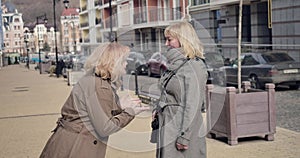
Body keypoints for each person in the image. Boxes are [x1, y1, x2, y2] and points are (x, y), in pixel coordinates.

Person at [40, 42, 149, 158]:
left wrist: (118, 106)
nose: (126, 64)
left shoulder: (92, 79)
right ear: (113, 63)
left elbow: (94, 110)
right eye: (123, 61)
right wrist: (130, 112)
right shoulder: (99, 86)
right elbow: (105, 127)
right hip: (78, 146)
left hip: (67, 142)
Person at [152, 21, 208, 158]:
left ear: (183, 40)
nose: (166, 44)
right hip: (169, 126)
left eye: (169, 39)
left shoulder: (194, 66)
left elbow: (193, 105)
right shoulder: (177, 64)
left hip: (181, 130)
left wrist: (184, 137)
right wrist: (158, 108)